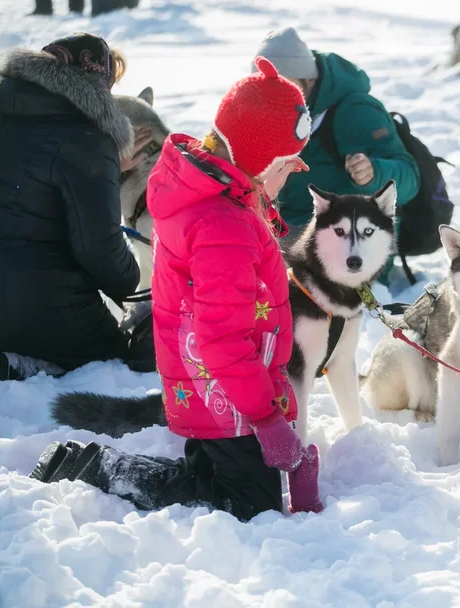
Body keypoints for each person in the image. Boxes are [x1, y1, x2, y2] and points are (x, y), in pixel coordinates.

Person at [29, 57, 324, 520]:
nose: (288, 170)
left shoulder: (214, 188)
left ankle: (164, 469)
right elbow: (223, 337)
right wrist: (266, 420)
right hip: (228, 395)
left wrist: (263, 189)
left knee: (227, 482)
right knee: (249, 506)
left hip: (216, 387)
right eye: (283, 160)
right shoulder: (223, 226)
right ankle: (98, 468)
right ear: (255, 156)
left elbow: (241, 227)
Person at [0, 33, 150, 381]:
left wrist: (105, 166)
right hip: (43, 307)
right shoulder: (87, 140)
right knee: (121, 359)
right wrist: (133, 281)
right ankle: (30, 365)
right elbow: (101, 253)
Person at [252, 27, 420, 248]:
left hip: (348, 240)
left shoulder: (355, 110)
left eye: (283, 84)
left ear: (308, 80)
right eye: (265, 85)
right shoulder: (271, 111)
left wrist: (374, 172)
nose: (273, 94)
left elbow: (409, 180)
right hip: (286, 227)